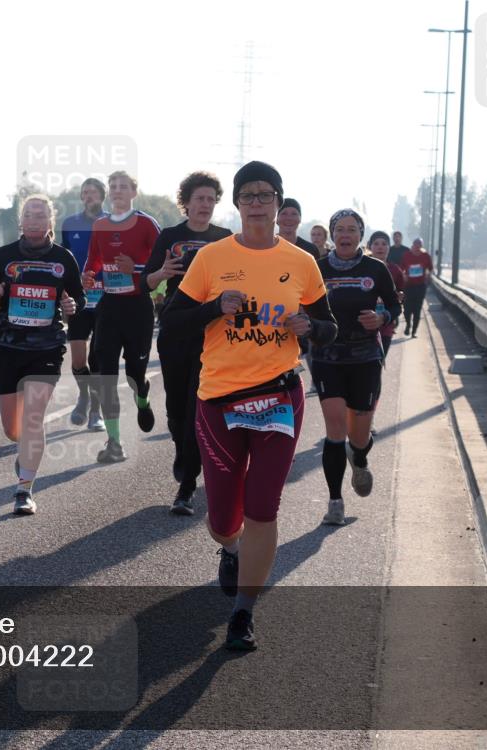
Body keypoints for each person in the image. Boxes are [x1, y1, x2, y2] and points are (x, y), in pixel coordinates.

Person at [159, 161, 336, 651]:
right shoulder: (212, 258)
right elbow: (173, 323)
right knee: (222, 520)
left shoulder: (301, 261)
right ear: (236, 204)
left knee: (263, 506)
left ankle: (243, 612)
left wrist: (311, 329)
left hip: (279, 396)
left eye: (266, 194)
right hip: (219, 400)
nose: (257, 202)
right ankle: (232, 549)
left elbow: (329, 326)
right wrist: (214, 308)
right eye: (249, 195)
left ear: (279, 202)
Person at [0, 195, 84, 514]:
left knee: (34, 416)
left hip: (47, 347)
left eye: (40, 215)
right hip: (7, 346)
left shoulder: (63, 259)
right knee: (13, 428)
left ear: (50, 221)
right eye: (28, 215)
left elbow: (79, 297)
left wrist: (71, 306)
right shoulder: (4, 256)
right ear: (21, 221)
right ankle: (24, 449)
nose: (34, 220)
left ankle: (24, 489)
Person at [141, 171, 231, 515]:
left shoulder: (226, 240)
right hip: (176, 331)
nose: (205, 205)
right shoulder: (170, 237)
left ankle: (188, 483)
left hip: (214, 334)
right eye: (199, 199)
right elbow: (146, 283)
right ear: (187, 203)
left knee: (200, 410)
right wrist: (162, 273)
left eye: (211, 199)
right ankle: (183, 453)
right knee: (178, 413)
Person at [312, 211, 401, 526]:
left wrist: (382, 319)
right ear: (333, 235)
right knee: (335, 430)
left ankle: (359, 458)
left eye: (352, 230)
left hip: (364, 358)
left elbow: (394, 304)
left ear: (360, 235)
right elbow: (302, 304)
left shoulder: (375, 269)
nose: (345, 234)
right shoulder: (317, 268)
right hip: (327, 357)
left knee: (359, 436)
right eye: (340, 229)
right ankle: (335, 502)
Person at [82, 171, 161, 463]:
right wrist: (88, 275)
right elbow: (94, 260)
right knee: (105, 373)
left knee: (134, 375)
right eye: (113, 186)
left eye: (123, 187)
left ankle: (143, 395)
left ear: (133, 192)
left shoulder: (146, 223)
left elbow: (162, 262)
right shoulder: (100, 224)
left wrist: (137, 267)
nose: (117, 191)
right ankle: (114, 442)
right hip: (110, 306)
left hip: (138, 306)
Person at [61, 178, 108, 430]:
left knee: (98, 359)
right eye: (85, 193)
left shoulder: (114, 223)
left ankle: (95, 413)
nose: (89, 196)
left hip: (107, 300)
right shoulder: (70, 224)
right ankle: (84, 394)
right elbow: (64, 259)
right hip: (78, 299)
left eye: (93, 192)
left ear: (102, 196)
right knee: (78, 360)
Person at [366, 230, 406, 359]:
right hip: (364, 325)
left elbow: (401, 292)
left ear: (389, 248)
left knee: (378, 363)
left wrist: (400, 296)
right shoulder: (361, 268)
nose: (380, 247)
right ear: (370, 247)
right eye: (376, 243)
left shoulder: (395, 270)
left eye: (384, 244)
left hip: (386, 325)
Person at [400, 237, 433, 337]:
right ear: (413, 245)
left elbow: (430, 268)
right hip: (408, 286)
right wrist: (404, 275)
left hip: (420, 286)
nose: (417, 247)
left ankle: (414, 332)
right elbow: (401, 269)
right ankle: (408, 324)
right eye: (415, 245)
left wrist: (428, 275)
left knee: (417, 309)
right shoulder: (407, 255)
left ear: (421, 246)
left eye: (419, 245)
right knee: (407, 309)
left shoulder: (426, 256)